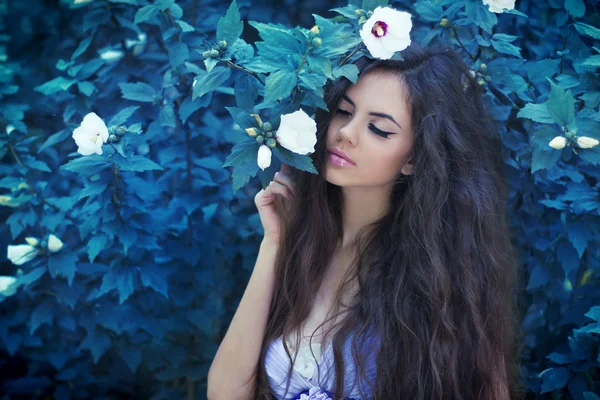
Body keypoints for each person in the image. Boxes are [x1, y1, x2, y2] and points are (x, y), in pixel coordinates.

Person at [207, 43, 524, 400]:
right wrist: (274, 245)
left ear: (416, 158)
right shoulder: (302, 243)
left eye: (379, 129)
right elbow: (224, 393)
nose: (346, 133)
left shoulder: (444, 275)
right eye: (344, 112)